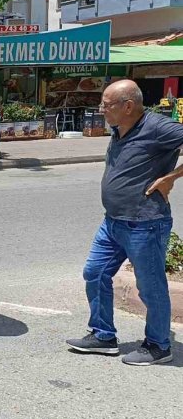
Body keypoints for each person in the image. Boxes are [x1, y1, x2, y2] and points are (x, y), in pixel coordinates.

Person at [65, 80, 181, 366]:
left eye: (106, 104)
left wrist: (171, 177)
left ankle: (158, 345)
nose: (101, 109)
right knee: (94, 272)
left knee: (150, 286)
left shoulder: (157, 127)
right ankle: (103, 335)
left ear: (128, 106)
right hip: (113, 222)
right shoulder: (119, 127)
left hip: (145, 224)